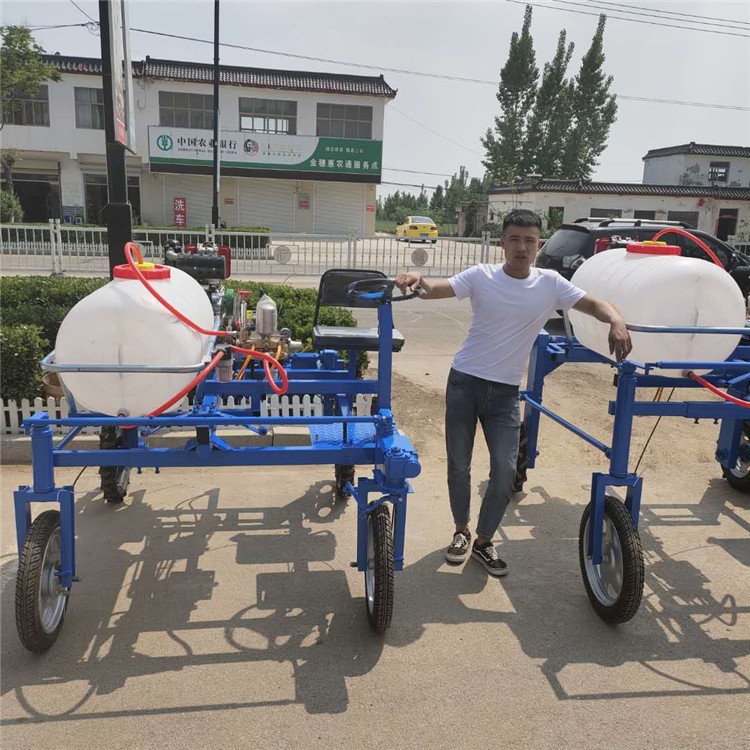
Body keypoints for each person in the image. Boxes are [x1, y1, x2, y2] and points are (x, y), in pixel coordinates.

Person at [395, 209, 632, 577]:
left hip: (505, 392)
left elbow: (595, 304)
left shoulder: (551, 283)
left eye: (530, 240)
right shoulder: (482, 276)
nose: (522, 247)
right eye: (515, 239)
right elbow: (438, 290)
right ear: (503, 242)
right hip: (464, 383)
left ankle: (484, 542)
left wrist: (616, 320)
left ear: (539, 244)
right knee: (459, 463)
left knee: (505, 471)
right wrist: (418, 280)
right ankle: (461, 531)